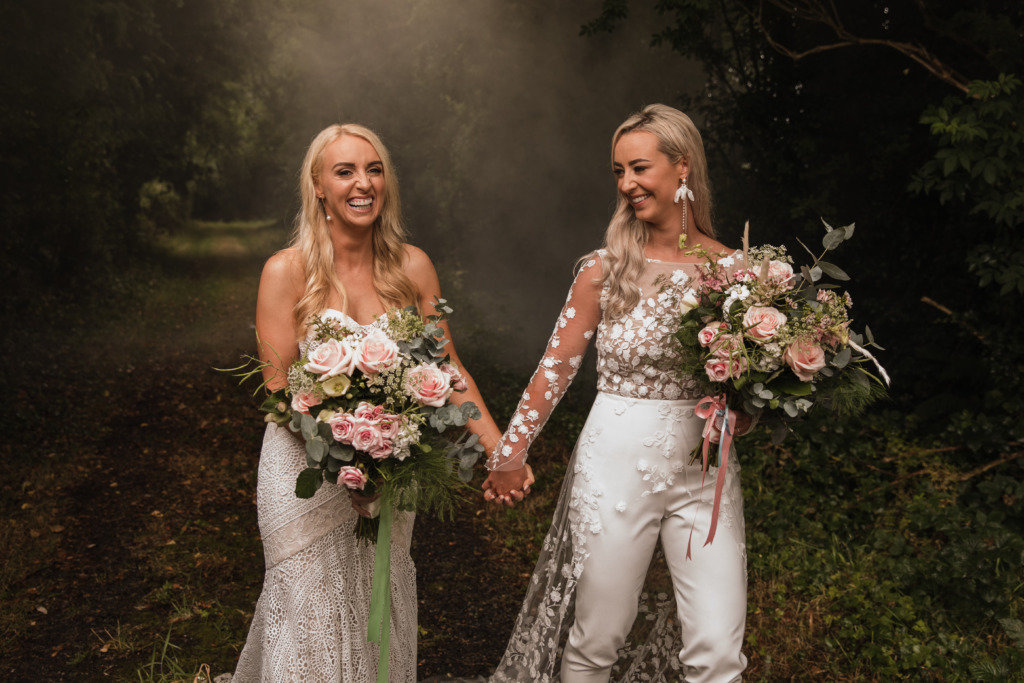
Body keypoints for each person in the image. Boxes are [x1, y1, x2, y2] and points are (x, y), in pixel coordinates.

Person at [233, 123, 518, 682]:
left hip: (392, 472)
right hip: (304, 474)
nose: (363, 183)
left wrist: (499, 450)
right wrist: (352, 460)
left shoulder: (412, 267)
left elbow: (448, 369)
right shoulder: (285, 272)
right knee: (306, 611)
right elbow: (278, 390)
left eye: (374, 169)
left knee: (374, 604)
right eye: (345, 171)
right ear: (318, 186)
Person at [483, 104, 751, 682]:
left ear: (682, 167)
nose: (627, 184)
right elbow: (554, 369)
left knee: (720, 648)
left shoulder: (736, 272)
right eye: (618, 172)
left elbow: (748, 390)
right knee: (598, 635)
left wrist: (754, 406)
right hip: (615, 464)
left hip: (705, 472)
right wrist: (510, 452)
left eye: (639, 168)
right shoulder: (604, 268)